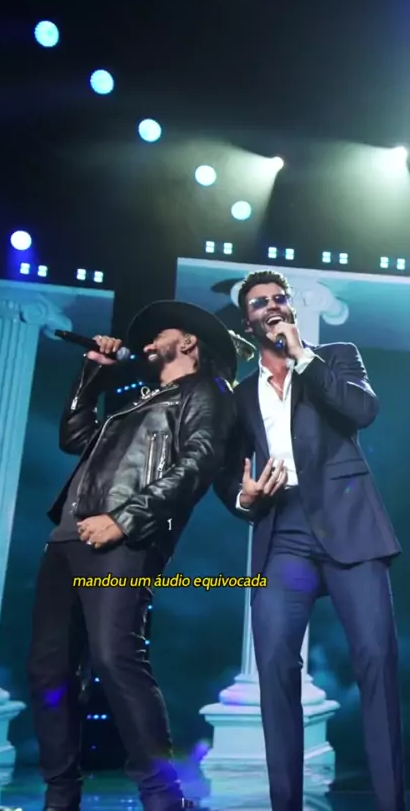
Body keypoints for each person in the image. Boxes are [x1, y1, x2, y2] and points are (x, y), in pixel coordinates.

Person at [27, 300, 237, 811]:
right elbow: (74, 437)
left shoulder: (206, 392)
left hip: (124, 539)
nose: (146, 342)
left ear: (187, 342)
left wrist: (124, 518)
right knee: (49, 670)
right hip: (68, 539)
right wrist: (94, 372)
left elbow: (199, 462)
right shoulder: (136, 402)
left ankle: (164, 798)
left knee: (114, 658)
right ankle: (61, 795)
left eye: (158, 334)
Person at [214, 270, 405, 811]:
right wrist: (244, 497)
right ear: (247, 320)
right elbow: (225, 472)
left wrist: (302, 357)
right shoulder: (239, 395)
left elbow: (362, 410)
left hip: (351, 526)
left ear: (291, 309)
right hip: (285, 532)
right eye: (260, 302)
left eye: (279, 298)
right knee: (275, 664)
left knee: (375, 661)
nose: (272, 306)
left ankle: (391, 802)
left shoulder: (335, 357)